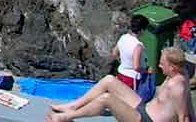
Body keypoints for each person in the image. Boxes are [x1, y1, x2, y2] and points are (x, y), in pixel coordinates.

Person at [47, 45, 192, 122]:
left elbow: (183, 117)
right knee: (110, 80)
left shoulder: (177, 87)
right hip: (144, 108)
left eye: (162, 63)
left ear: (172, 67)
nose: (159, 66)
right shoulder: (181, 73)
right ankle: (74, 105)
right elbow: (189, 105)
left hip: (145, 120)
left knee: (106, 99)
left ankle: (66, 117)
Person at [113, 14, 148, 92]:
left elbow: (114, 53)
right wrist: (146, 71)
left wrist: (125, 63)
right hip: (132, 79)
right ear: (142, 30)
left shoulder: (123, 37)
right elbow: (136, 67)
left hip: (121, 74)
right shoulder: (138, 45)